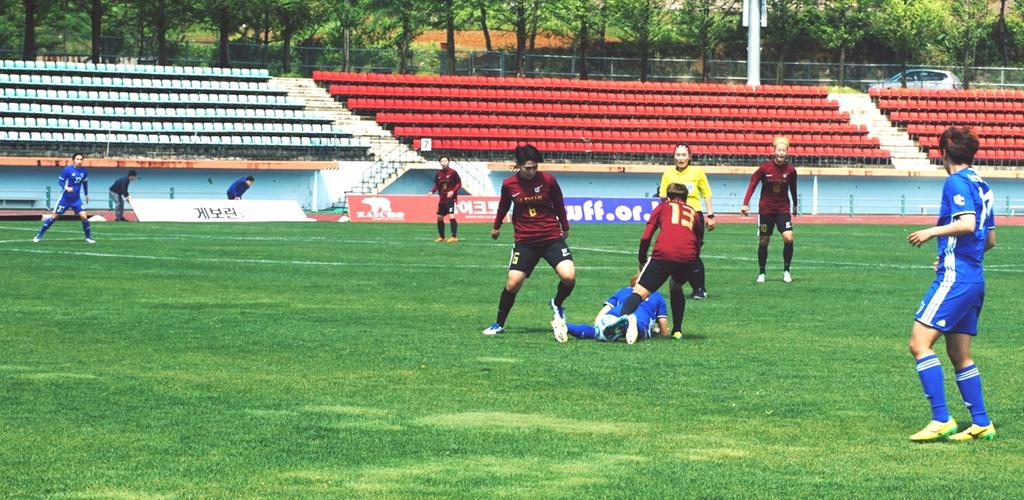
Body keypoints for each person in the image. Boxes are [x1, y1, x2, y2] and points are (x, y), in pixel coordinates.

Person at [905, 126, 996, 442]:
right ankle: (982, 423)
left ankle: (941, 418)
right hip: (974, 277)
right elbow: (990, 239)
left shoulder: (955, 181)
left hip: (956, 279)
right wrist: (953, 254)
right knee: (959, 354)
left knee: (919, 343)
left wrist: (932, 232)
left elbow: (968, 223)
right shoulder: (982, 184)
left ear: (943, 152)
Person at [483, 144, 575, 335]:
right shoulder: (509, 185)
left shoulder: (548, 180)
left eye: (535, 167)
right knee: (512, 283)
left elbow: (559, 203)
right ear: (518, 165)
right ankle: (499, 324)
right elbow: (503, 206)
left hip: (550, 237)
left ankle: (556, 303)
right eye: (528, 168)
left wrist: (564, 226)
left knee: (569, 277)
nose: (532, 171)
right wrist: (497, 226)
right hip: (525, 241)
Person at [609, 183, 700, 344]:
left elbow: (646, 237)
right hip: (688, 256)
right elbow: (698, 239)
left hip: (663, 253)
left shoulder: (662, 207)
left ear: (667, 197)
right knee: (676, 287)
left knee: (638, 292)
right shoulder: (694, 212)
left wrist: (642, 258)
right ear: (686, 199)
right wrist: (691, 259)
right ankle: (677, 330)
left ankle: (622, 323)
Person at [657, 144, 715, 300]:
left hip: (693, 216)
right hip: (675, 218)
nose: (681, 158)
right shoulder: (668, 174)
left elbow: (706, 194)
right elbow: (663, 197)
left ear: (690, 157)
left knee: (693, 253)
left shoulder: (698, 173)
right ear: (674, 156)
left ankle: (699, 289)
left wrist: (710, 215)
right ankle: (682, 285)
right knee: (678, 252)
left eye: (684, 155)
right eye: (678, 155)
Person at [740, 136, 798, 283]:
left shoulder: (791, 170)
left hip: (782, 210)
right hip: (766, 210)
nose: (781, 153)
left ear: (787, 152)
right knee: (764, 241)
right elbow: (752, 184)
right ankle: (762, 272)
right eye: (779, 150)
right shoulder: (764, 168)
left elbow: (793, 189)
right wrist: (745, 203)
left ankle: (786, 271)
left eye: (783, 150)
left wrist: (795, 205)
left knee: (788, 238)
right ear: (774, 151)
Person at [550, 275, 669, 344]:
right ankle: (629, 325)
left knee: (598, 333)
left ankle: (567, 327)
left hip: (615, 313)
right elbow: (663, 322)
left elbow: (607, 308)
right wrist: (662, 333)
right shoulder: (657, 296)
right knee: (643, 331)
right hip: (640, 316)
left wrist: (598, 323)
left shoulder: (624, 291)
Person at [34, 152, 94, 243]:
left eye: (81, 159)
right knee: (54, 217)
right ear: (73, 160)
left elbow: (85, 183)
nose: (79, 161)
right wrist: (65, 187)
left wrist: (86, 195)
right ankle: (39, 235)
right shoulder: (67, 169)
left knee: (84, 216)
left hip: (76, 199)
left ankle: (88, 237)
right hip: (65, 198)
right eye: (77, 159)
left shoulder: (84, 171)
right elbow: (60, 181)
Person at [428, 155, 462, 243]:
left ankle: (454, 236)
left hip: (451, 199)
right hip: (442, 199)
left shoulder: (453, 172)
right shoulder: (438, 174)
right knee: (439, 217)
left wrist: (452, 191)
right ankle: (442, 237)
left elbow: (459, 184)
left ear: (448, 162)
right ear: (440, 163)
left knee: (451, 216)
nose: (444, 162)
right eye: (442, 161)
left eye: (445, 161)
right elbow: (436, 184)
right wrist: (432, 191)